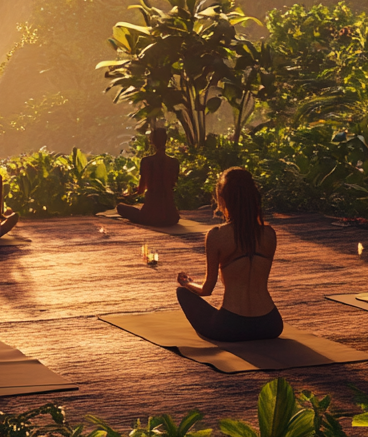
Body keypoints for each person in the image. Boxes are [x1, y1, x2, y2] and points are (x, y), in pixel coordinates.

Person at [175, 167, 283, 341]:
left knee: (183, 293)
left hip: (231, 326)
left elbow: (206, 290)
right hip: (270, 324)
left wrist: (187, 282)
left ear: (223, 199)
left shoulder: (217, 235)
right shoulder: (269, 234)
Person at [117, 127, 180, 226]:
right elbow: (173, 184)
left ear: (152, 142)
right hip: (171, 217)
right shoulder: (174, 162)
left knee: (120, 207)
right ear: (166, 140)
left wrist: (130, 194)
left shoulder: (147, 161)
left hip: (150, 216)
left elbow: (141, 190)